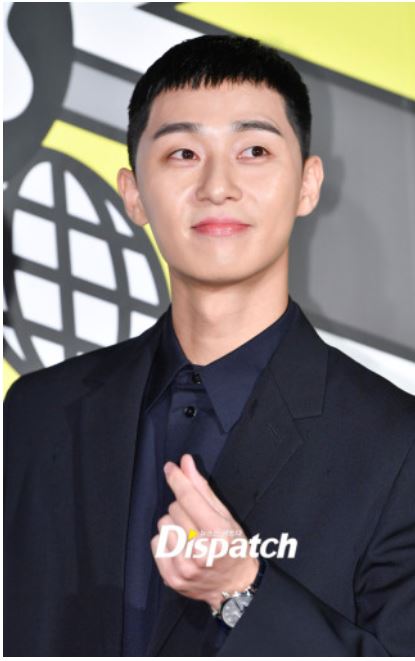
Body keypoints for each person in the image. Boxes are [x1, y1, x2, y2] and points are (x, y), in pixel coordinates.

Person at [4, 35, 415, 657]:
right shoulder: (35, 415)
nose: (217, 185)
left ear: (307, 185)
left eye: (254, 151)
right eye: (183, 153)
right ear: (134, 193)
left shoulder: (396, 444)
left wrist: (242, 590)